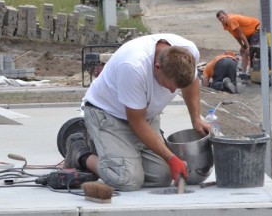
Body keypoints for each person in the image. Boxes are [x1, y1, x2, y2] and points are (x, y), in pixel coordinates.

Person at [64, 33, 211, 191]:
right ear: (157, 67)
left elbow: (192, 82)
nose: (172, 91)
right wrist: (171, 157)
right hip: (107, 115)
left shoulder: (188, 52)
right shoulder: (134, 66)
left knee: (163, 177)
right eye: (168, 85)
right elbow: (136, 122)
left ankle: (115, 155)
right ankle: (80, 154)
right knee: (127, 179)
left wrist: (196, 119)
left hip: (145, 116)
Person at [216, 10, 260, 80]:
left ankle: (253, 73)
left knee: (251, 51)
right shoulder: (225, 23)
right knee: (243, 52)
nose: (221, 20)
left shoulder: (231, 20)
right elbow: (235, 35)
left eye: (222, 17)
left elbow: (240, 34)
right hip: (248, 34)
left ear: (226, 15)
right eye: (220, 19)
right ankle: (244, 73)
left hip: (255, 29)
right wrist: (242, 46)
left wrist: (248, 47)